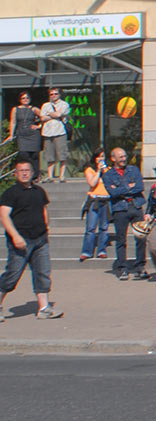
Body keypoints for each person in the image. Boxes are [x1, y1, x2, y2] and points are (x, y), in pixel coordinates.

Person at [0, 160, 63, 320]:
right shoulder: (10, 193)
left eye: (27, 170)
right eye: (21, 170)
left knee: (42, 273)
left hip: (40, 239)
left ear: (32, 172)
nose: (24, 173)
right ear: (16, 173)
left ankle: (44, 308)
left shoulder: (39, 191)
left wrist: (46, 227)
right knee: (13, 274)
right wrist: (15, 236)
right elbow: (4, 216)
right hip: (21, 240)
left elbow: (44, 210)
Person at [102, 146, 147, 280]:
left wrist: (121, 189)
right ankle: (122, 268)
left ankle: (140, 267)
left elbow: (140, 187)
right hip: (120, 209)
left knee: (141, 238)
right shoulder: (108, 175)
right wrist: (129, 187)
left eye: (124, 156)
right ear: (113, 158)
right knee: (121, 240)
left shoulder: (134, 170)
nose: (124, 159)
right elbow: (112, 193)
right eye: (120, 157)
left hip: (136, 206)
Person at [80, 149, 112, 261]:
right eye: (99, 156)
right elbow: (92, 183)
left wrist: (104, 171)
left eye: (103, 156)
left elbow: (112, 182)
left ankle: (102, 250)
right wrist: (98, 171)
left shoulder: (108, 170)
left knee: (104, 228)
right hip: (94, 200)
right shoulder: (90, 170)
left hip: (106, 200)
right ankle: (87, 251)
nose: (101, 159)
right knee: (91, 228)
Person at [39, 87, 70, 182]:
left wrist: (48, 114)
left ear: (59, 94)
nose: (54, 96)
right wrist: (53, 114)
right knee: (49, 155)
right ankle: (50, 176)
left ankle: (61, 176)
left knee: (62, 155)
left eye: (55, 94)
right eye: (51, 94)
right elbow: (42, 118)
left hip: (60, 132)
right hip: (48, 133)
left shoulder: (64, 104)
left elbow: (59, 115)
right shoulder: (45, 105)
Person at [6, 90, 42, 170]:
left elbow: (44, 117)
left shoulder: (34, 109)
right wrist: (11, 134)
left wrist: (39, 126)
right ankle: (26, 173)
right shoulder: (15, 109)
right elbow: (13, 122)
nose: (25, 99)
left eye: (27, 98)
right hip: (22, 135)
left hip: (33, 135)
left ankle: (35, 176)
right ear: (20, 100)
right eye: (23, 98)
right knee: (23, 154)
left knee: (34, 155)